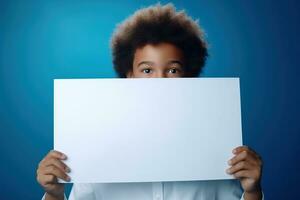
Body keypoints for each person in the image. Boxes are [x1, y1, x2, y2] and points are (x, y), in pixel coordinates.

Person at [37, 4, 263, 200]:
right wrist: (54, 195)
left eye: (173, 70)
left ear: (188, 76)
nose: (160, 81)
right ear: (129, 75)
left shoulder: (215, 149)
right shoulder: (96, 148)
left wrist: (252, 191)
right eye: (147, 70)